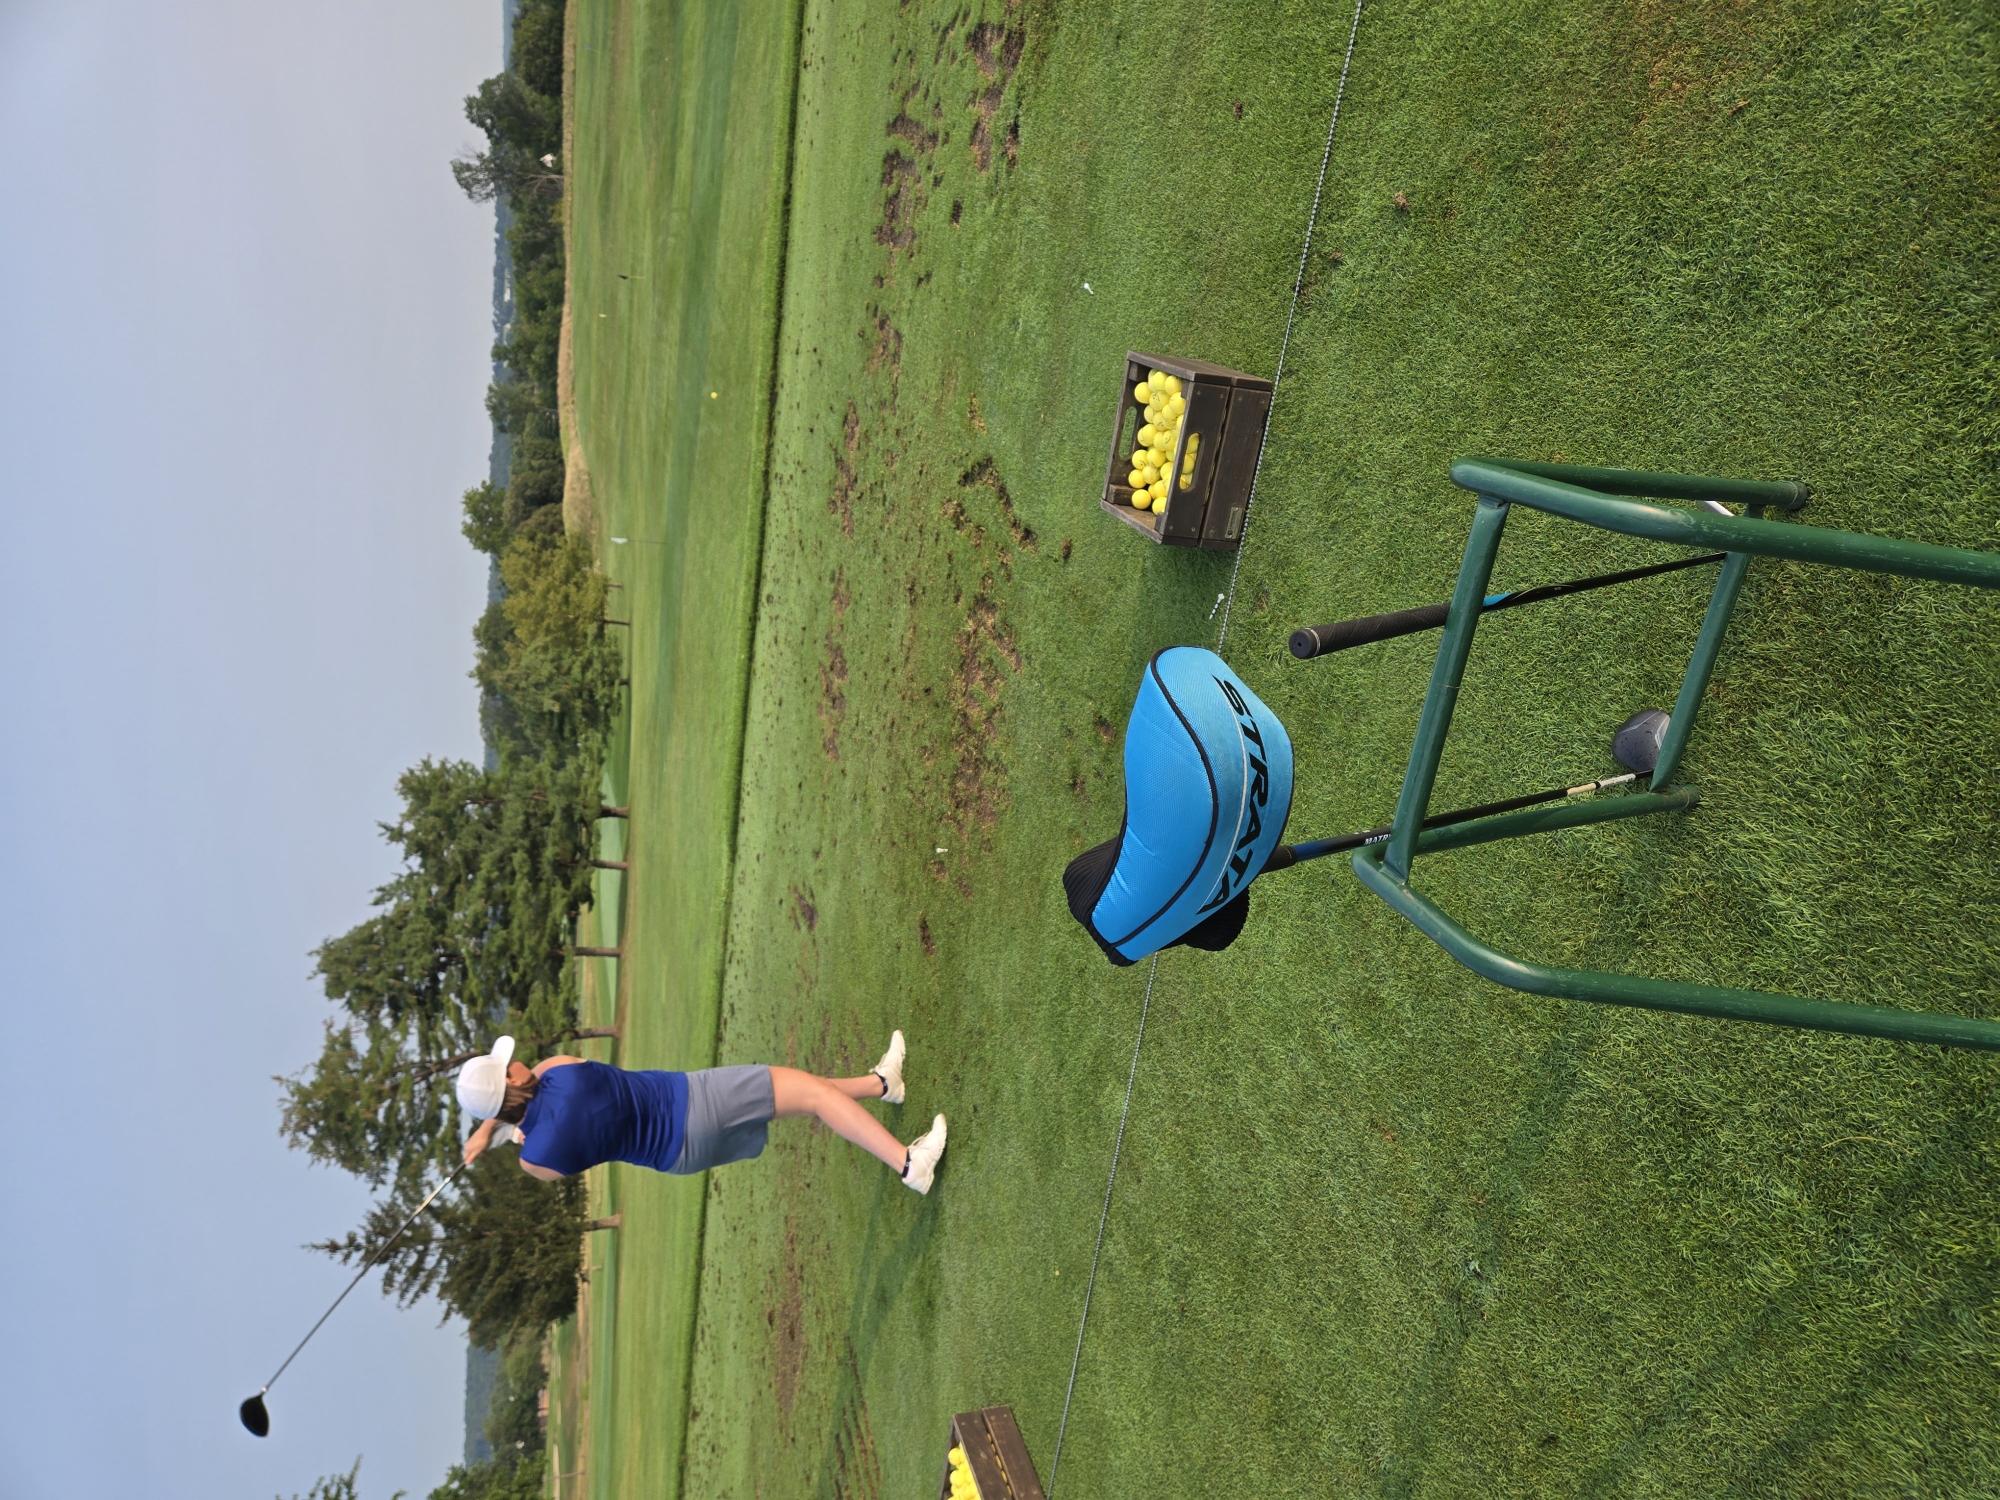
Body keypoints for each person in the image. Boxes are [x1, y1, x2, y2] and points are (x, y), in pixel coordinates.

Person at [456, 1031, 947, 1193]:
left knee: (801, 1093)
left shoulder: (535, 1162)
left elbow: (539, 1130)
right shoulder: (560, 1071)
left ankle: (883, 1084)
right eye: (507, 1065)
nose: (516, 1061)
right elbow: (538, 1083)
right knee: (813, 1097)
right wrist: (491, 1127)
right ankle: (909, 1164)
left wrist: (496, 1129)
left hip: (680, 1157)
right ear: (511, 1080)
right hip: (693, 1100)